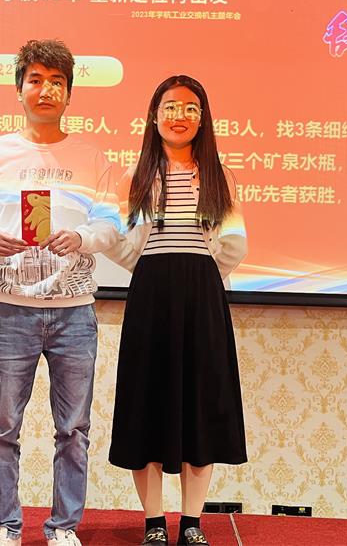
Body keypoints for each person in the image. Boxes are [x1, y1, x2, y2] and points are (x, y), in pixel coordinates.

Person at [0, 39, 121, 546]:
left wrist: (82, 238)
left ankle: (63, 527)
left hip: (74, 313)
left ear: (69, 94)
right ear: (19, 90)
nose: (46, 90)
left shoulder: (92, 157)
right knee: (2, 426)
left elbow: (111, 226)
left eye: (57, 82)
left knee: (73, 428)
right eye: (36, 80)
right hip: (9, 310)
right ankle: (5, 525)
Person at [105, 75, 248, 546]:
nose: (179, 116)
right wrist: (153, 268)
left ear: (202, 119)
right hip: (151, 298)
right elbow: (122, 244)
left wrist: (201, 272)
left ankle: (191, 522)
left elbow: (233, 245)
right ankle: (153, 523)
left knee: (199, 408)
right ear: (153, 116)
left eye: (190, 108)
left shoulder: (220, 176)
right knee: (147, 404)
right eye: (170, 107)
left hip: (202, 299)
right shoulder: (134, 176)